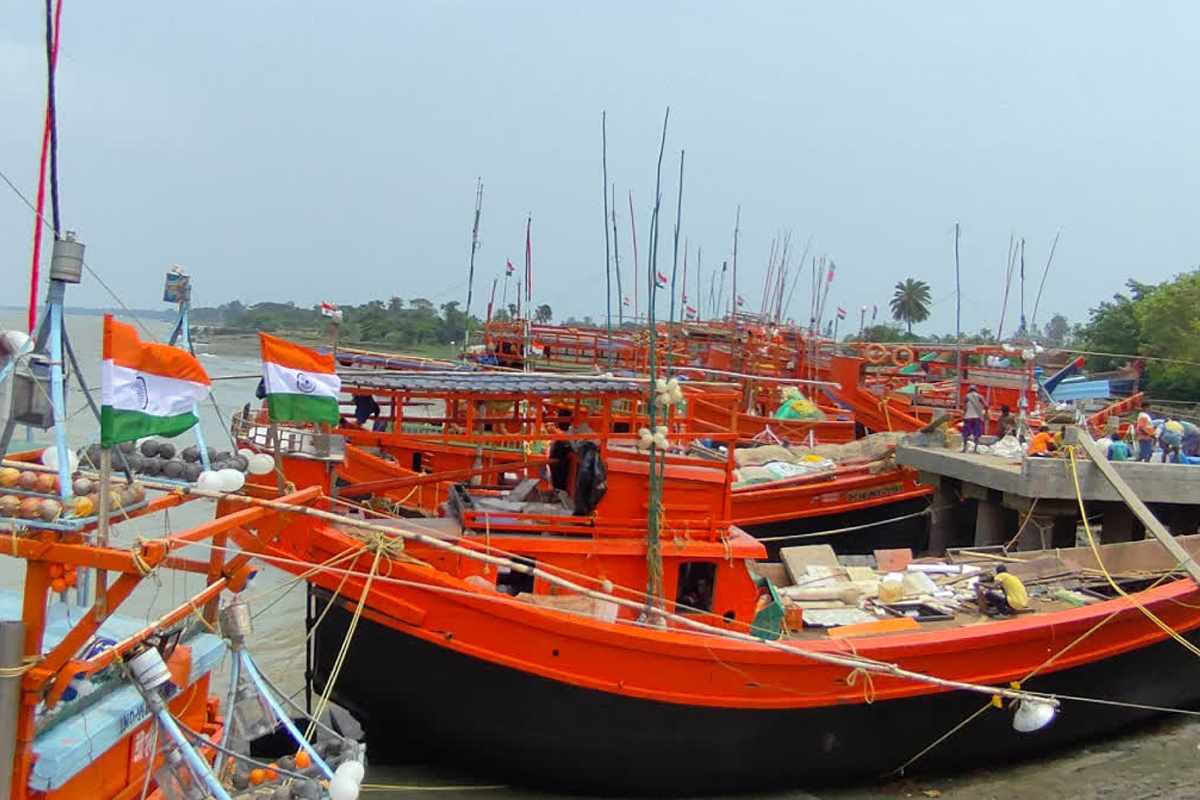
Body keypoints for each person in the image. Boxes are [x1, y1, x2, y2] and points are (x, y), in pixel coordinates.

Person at [961, 384, 987, 453]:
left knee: (965, 433)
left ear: (969, 390)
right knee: (976, 434)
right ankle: (975, 450)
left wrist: (964, 413)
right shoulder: (979, 397)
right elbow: (986, 405)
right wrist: (985, 413)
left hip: (968, 417)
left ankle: (964, 449)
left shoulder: (967, 397)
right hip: (977, 418)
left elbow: (964, 407)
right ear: (976, 390)